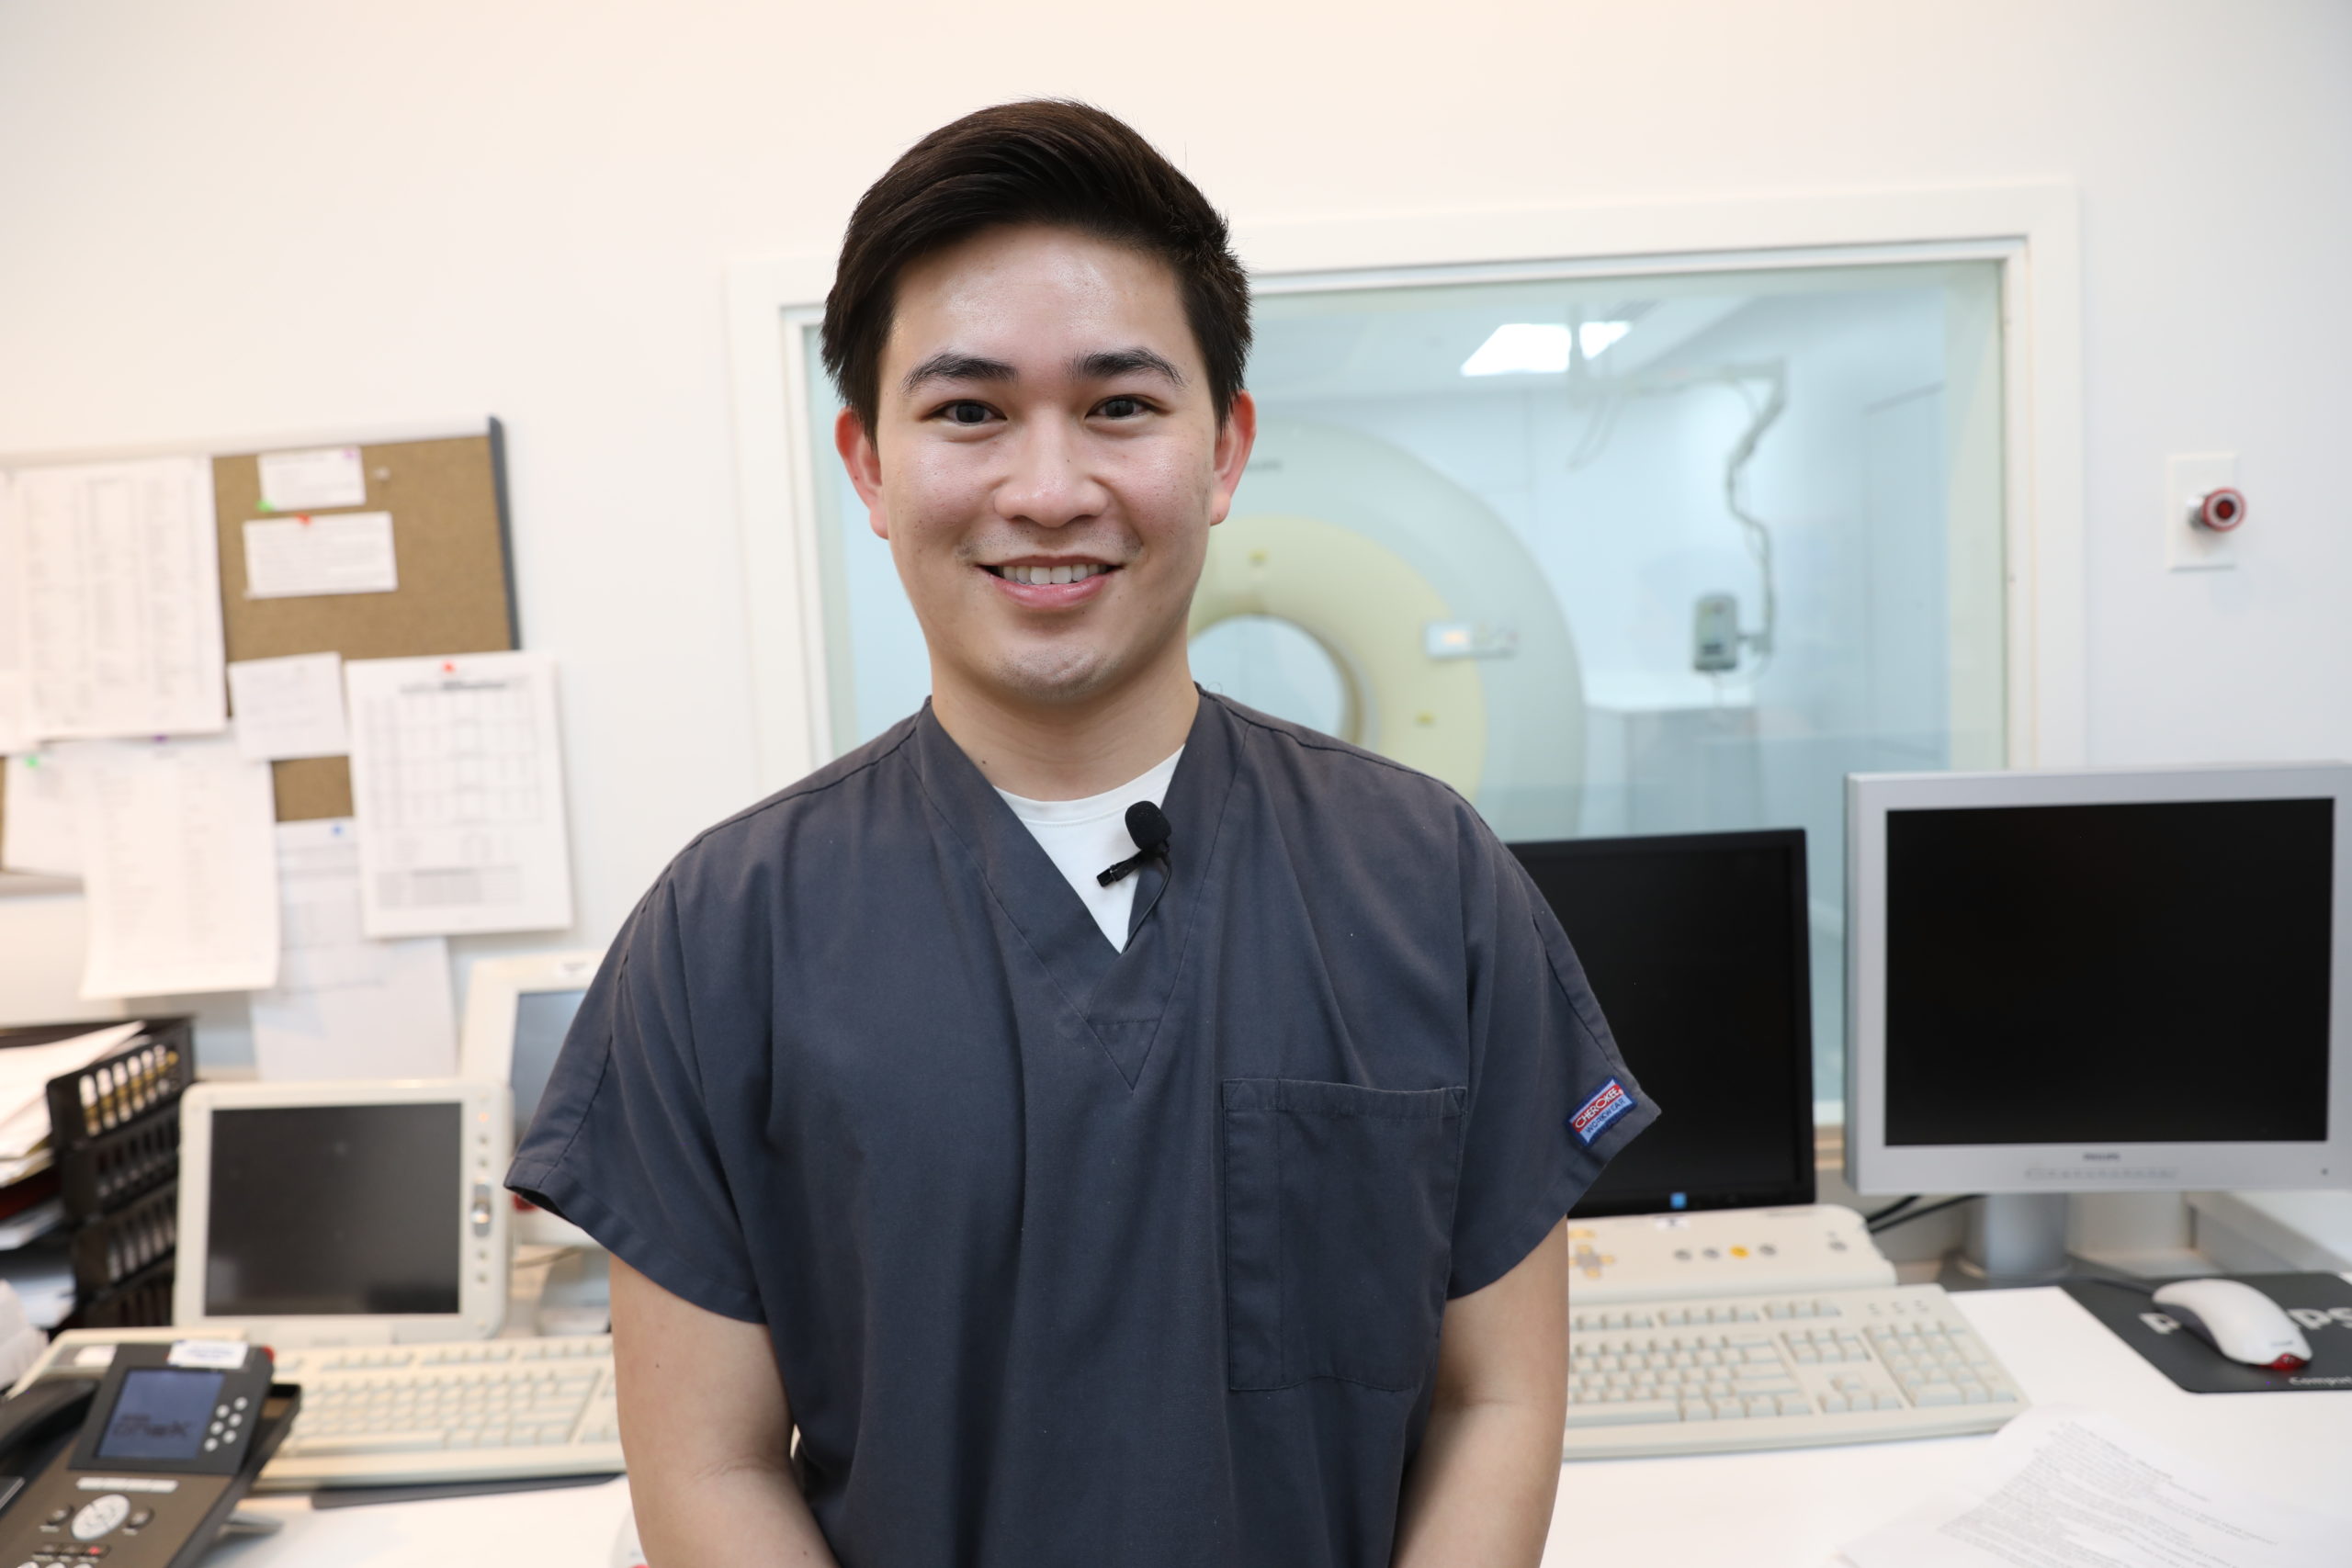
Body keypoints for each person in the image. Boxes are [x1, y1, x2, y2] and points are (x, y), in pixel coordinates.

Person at [508, 98, 1657, 1568]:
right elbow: (709, 1466)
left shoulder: (1429, 881)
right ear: (867, 463)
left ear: (1225, 449)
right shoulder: (726, 931)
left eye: (1119, 405)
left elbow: (1494, 1400)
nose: (1048, 490)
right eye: (969, 411)